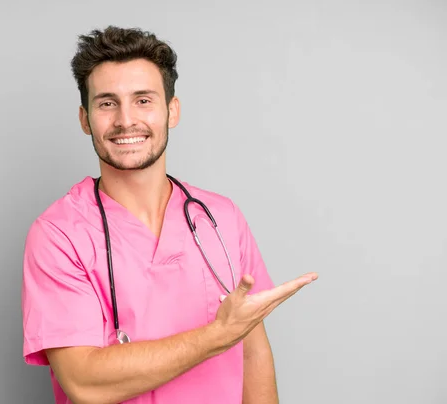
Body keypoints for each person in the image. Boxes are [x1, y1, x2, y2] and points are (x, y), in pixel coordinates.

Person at [21, 25, 318, 404]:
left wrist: (232, 334)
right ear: (85, 119)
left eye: (143, 100)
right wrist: (216, 336)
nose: (126, 120)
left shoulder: (220, 218)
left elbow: (252, 352)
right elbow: (83, 382)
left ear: (171, 111)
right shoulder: (58, 234)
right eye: (107, 103)